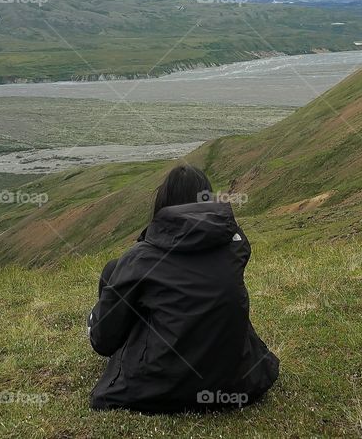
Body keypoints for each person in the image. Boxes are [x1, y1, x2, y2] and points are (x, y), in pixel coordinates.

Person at [87, 164, 279, 413]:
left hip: (160, 387)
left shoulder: (141, 259)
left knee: (113, 273)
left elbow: (102, 342)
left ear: (163, 204)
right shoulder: (236, 247)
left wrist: (94, 319)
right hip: (237, 382)